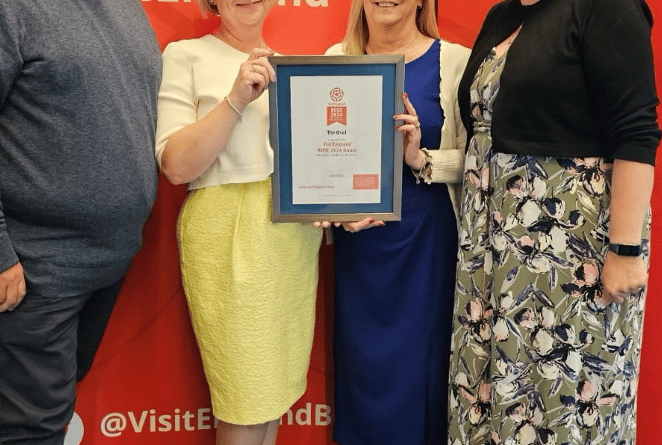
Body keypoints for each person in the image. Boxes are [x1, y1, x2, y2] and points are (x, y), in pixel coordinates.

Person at [447, 0, 659, 444]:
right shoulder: (502, 15)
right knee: (486, 395)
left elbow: (636, 130)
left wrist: (624, 249)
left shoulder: (606, 6)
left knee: (562, 406)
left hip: (568, 255)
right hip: (489, 254)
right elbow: (484, 132)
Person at [154, 1, 323, 444]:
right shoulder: (185, 55)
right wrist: (235, 99)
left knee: (273, 397)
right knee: (244, 402)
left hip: (289, 241)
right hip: (225, 236)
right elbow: (176, 165)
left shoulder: (292, 68)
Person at [0, 1, 161, 443]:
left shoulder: (129, 9)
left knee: (50, 412)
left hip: (108, 263)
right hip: (35, 268)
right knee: (31, 429)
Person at [324, 1, 469, 443]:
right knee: (363, 372)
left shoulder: (456, 61)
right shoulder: (333, 61)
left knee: (422, 376)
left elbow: (478, 161)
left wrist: (421, 158)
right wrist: (335, 212)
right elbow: (319, 164)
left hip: (428, 247)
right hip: (361, 251)